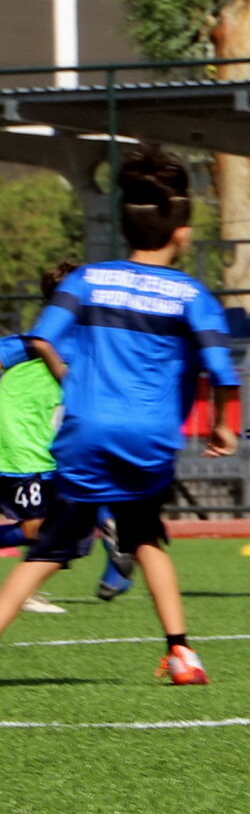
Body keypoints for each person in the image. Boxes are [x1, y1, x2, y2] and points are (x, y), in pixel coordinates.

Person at [0, 148, 239, 683]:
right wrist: (223, 423)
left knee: (48, 551)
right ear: (181, 232)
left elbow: (42, 336)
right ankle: (181, 653)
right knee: (146, 537)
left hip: (87, 433)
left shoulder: (85, 279)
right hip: (149, 440)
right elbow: (223, 371)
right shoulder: (192, 294)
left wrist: (74, 374)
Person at [0, 263, 77, 615]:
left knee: (51, 524)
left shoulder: (73, 333)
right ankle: (24, 592)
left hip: (33, 439)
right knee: (40, 526)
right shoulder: (49, 337)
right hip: (20, 439)